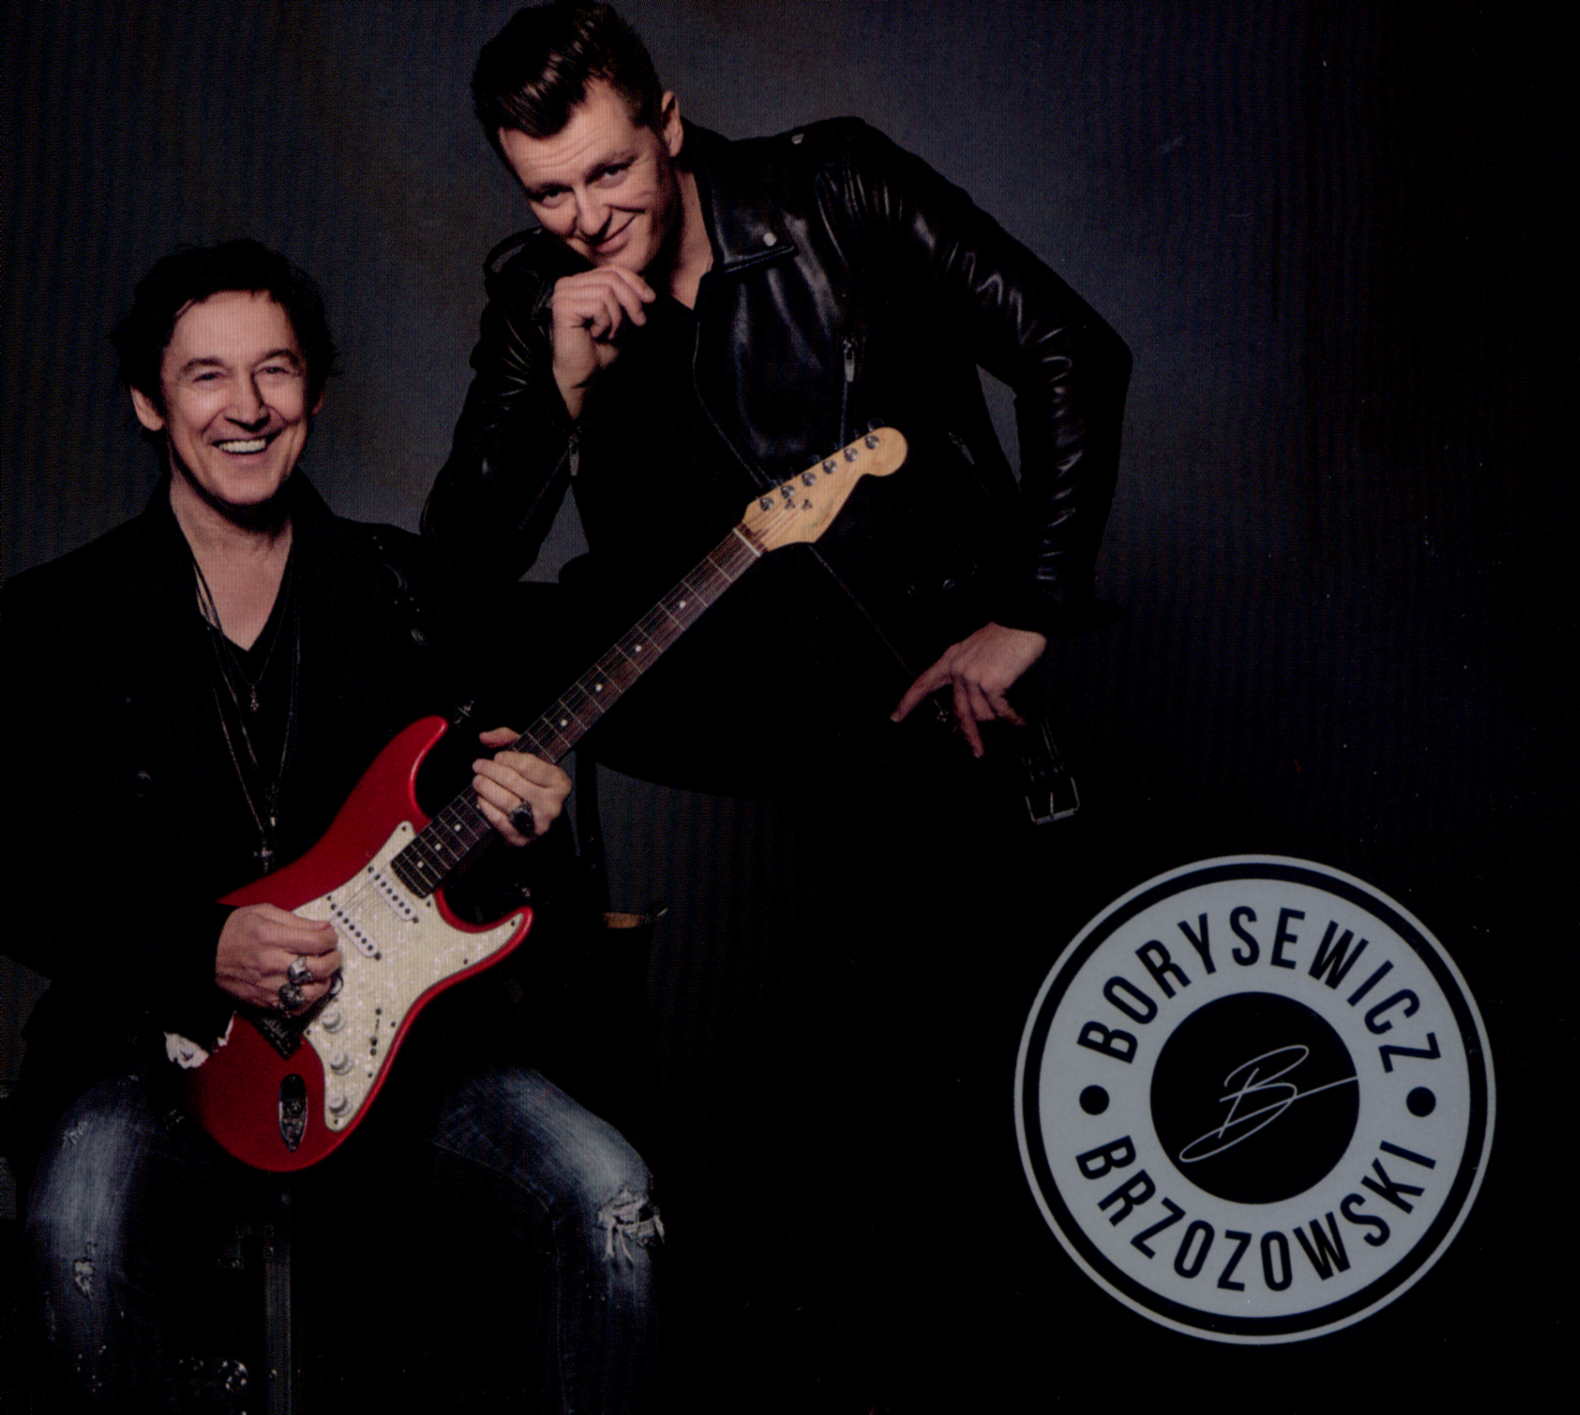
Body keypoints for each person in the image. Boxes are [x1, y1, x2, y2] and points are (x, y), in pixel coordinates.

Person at [422, 2, 1130, 1402]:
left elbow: (1071, 347)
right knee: (746, 1159)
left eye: (611, 171)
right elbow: (449, 581)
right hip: (728, 727)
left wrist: (1030, 609)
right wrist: (556, 385)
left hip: (913, 699)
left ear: (669, 124)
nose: (587, 218)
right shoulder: (542, 301)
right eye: (548, 192)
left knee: (959, 1123)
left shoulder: (832, 190)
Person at [4, 239, 659, 1411]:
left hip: (401, 1056)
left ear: (312, 389)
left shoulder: (403, 591)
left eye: (276, 369)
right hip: (146, 1053)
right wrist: (198, 946)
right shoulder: (53, 618)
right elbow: (12, 868)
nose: (247, 407)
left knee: (604, 1190)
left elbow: (475, 856)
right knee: (74, 1225)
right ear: (150, 402)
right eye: (207, 375)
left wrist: (517, 823)